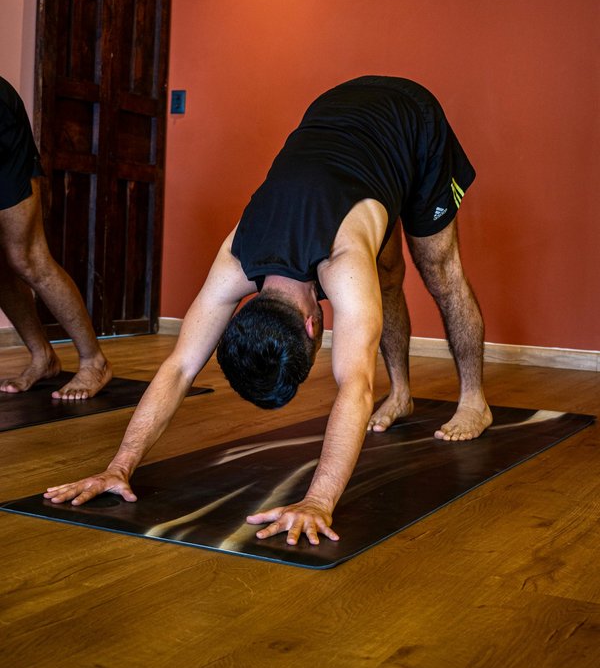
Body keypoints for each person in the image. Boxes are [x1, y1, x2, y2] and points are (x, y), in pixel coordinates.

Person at [45, 76, 491, 542]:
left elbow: (354, 387)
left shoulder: (341, 263)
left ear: (312, 325)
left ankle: (475, 402)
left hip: (410, 120)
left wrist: (318, 500)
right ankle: (401, 394)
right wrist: (118, 467)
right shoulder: (236, 257)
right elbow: (179, 368)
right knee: (386, 272)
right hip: (336, 116)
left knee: (439, 272)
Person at [0, 76, 112, 399]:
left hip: (2, 126)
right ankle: (43, 357)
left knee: (28, 258)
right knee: (2, 264)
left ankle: (95, 361)